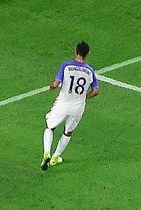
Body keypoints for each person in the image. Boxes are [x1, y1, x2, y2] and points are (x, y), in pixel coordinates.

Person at [42, 41, 99, 170]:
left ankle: (47, 153)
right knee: (68, 132)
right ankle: (55, 157)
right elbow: (96, 91)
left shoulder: (66, 65)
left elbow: (56, 84)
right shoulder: (90, 71)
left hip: (63, 104)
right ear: (87, 54)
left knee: (50, 127)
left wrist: (52, 87)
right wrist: (84, 97)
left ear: (76, 51)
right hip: (78, 107)